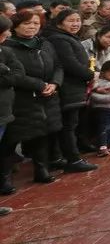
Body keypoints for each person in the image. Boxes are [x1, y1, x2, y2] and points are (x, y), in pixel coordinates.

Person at [0, 11, 63, 187]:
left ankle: (41, 170)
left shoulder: (45, 44)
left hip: (46, 97)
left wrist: (54, 83)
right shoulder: (8, 47)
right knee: (11, 139)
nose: (32, 26)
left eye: (35, 23)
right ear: (15, 26)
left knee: (41, 133)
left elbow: (58, 65)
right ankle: (5, 178)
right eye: (27, 23)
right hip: (19, 99)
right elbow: (16, 75)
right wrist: (39, 85)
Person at [43, 9, 99, 173]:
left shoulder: (65, 37)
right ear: (60, 23)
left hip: (74, 88)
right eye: (71, 21)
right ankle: (73, 160)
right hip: (68, 88)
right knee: (68, 126)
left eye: (77, 20)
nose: (75, 24)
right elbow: (69, 64)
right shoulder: (59, 39)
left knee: (67, 125)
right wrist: (90, 74)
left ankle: (58, 157)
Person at [0, 15, 21, 213]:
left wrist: (6, 71)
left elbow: (17, 75)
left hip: (4, 112)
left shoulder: (6, 51)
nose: (8, 34)